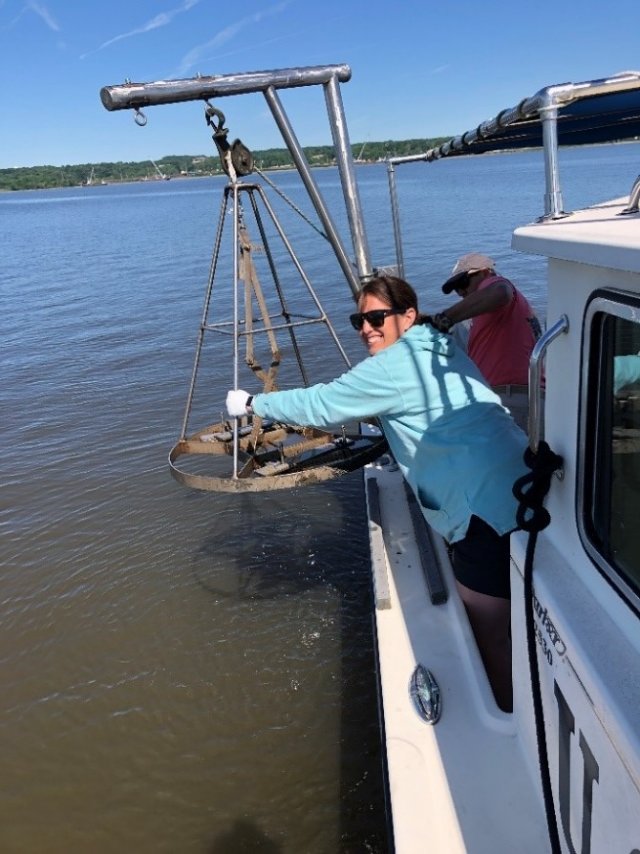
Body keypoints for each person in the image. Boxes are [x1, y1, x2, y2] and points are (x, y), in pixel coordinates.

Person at [226, 275, 529, 712]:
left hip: (480, 511)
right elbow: (423, 406)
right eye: (359, 320)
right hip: (522, 481)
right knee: (525, 607)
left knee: (487, 632)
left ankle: (511, 719)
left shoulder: (393, 367)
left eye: (376, 317)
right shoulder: (441, 345)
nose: (366, 328)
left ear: (407, 316)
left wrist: (254, 404)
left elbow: (322, 404)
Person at [430, 253, 541, 431]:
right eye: (456, 289)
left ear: (485, 272)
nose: (461, 293)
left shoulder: (497, 286)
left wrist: (445, 318)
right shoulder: (501, 314)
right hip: (523, 398)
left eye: (463, 283)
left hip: (511, 399)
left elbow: (500, 291)